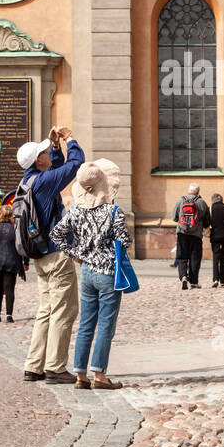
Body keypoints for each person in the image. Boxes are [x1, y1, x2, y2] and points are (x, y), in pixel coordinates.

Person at [52, 162, 131, 390]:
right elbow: (125, 240)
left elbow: (56, 234)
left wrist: (75, 253)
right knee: (105, 325)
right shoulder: (113, 211)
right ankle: (99, 375)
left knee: (86, 324)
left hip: (86, 271)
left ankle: (80, 375)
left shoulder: (76, 211)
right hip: (107, 272)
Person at [18, 125, 85, 385]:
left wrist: (55, 147)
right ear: (38, 160)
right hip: (57, 256)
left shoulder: (28, 182)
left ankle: (33, 365)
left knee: (45, 311)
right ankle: (55, 368)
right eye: (44, 152)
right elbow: (75, 165)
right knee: (64, 310)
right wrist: (70, 139)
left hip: (40, 255)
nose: (47, 154)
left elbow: (56, 170)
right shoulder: (44, 182)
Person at [172, 182, 210, 289]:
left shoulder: (181, 200)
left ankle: (183, 276)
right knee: (195, 258)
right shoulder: (202, 202)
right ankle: (193, 281)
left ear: (189, 190)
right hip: (196, 235)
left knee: (182, 256)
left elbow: (174, 217)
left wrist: (183, 223)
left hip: (182, 233)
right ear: (198, 191)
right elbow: (207, 221)